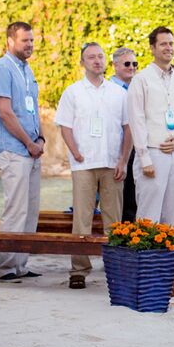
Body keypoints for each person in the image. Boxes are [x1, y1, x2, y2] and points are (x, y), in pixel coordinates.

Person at [54, 42, 131, 289]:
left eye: (100, 56)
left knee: (114, 220)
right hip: (83, 165)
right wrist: (75, 152)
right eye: (91, 57)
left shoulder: (119, 93)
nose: (97, 61)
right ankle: (79, 270)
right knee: (82, 219)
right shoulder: (73, 92)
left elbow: (128, 128)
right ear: (83, 62)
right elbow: (65, 126)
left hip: (112, 164)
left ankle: (116, 268)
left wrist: (123, 160)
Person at [0, 22, 45, 283]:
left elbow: (34, 110)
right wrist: (29, 143)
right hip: (13, 150)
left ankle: (21, 263)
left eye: (32, 40)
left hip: (32, 150)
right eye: (25, 41)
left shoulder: (28, 69)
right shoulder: (2, 68)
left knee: (31, 209)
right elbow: (5, 112)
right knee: (15, 208)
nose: (30, 45)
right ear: (11, 41)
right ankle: (7, 267)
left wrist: (41, 138)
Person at [127, 27, 174, 233]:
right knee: (149, 214)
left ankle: (172, 264)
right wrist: (145, 157)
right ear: (152, 48)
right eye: (163, 44)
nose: (169, 48)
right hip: (152, 153)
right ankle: (147, 263)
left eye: (171, 44)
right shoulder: (141, 79)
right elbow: (136, 120)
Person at [110, 47, 138, 222]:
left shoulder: (137, 88)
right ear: (115, 66)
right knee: (115, 202)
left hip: (136, 149)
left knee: (132, 200)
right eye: (127, 63)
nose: (132, 67)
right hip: (115, 151)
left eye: (134, 63)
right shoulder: (108, 89)